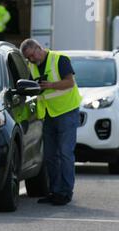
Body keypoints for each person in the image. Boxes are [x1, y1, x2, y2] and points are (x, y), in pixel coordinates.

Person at [20, 39, 82, 206]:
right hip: (48, 114)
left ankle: (66, 192)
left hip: (66, 111)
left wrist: (51, 85)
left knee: (65, 153)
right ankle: (55, 191)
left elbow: (70, 82)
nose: (32, 59)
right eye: (28, 58)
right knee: (49, 155)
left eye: (33, 55)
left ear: (39, 48)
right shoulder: (31, 65)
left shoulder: (60, 59)